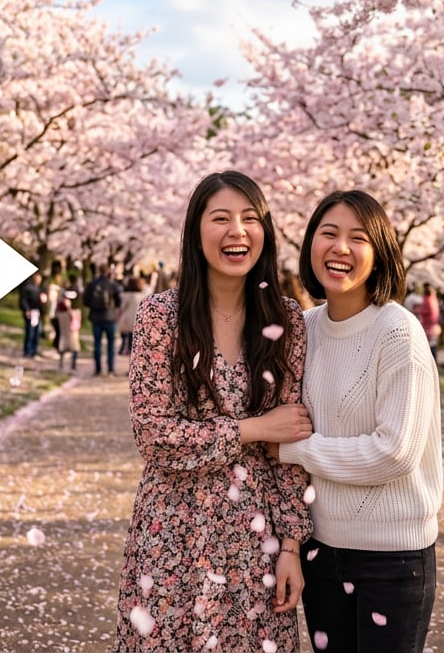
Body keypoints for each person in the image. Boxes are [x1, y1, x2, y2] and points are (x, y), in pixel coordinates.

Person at [116, 171, 313, 653]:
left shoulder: (286, 320)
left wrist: (291, 547)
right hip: (172, 530)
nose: (237, 232)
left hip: (256, 537)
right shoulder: (160, 317)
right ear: (195, 231)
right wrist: (253, 428)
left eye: (250, 219)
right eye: (220, 218)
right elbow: (154, 435)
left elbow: (289, 444)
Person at [277, 190, 442, 653]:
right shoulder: (303, 328)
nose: (341, 248)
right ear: (311, 244)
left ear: (380, 253)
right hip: (320, 551)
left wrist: (295, 448)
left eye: (358, 238)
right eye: (328, 234)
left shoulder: (397, 331)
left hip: (393, 559)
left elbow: (394, 452)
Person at [84, 266, 123, 376]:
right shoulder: (112, 285)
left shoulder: (92, 284)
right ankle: (111, 369)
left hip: (96, 317)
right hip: (110, 317)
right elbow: (119, 301)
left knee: (97, 343)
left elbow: (86, 301)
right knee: (111, 344)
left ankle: (98, 369)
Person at [117, 276, 146, 356]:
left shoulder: (125, 295)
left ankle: (123, 349)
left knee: (125, 336)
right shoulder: (143, 296)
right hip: (137, 319)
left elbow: (121, 307)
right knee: (133, 337)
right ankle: (130, 350)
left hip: (126, 319)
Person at [19, 272, 44, 358]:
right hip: (30, 312)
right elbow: (23, 300)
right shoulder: (27, 288)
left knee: (37, 332)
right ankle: (28, 351)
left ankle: (34, 350)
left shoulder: (39, 289)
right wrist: (26, 309)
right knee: (30, 332)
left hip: (38, 313)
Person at [54, 291, 81, 371]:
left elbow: (56, 314)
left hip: (64, 331)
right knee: (74, 346)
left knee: (63, 347)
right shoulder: (68, 306)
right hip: (71, 330)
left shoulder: (59, 307)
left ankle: (61, 363)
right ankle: (73, 364)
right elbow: (72, 315)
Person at [418, 282, 442, 362]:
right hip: (433, 324)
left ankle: (432, 361)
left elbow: (424, 311)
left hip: (428, 325)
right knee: (433, 343)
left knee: (430, 344)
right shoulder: (434, 299)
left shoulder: (427, 300)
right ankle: (434, 361)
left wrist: (419, 310)